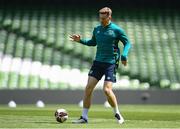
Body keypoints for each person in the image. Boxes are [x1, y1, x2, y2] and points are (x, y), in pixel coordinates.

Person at [70, 7, 131, 124]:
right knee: (88, 88)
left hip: (111, 63)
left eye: (103, 18)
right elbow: (93, 42)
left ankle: (117, 113)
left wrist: (124, 55)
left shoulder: (116, 30)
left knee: (107, 90)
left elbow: (127, 43)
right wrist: (80, 40)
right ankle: (84, 117)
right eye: (100, 18)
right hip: (98, 63)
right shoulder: (97, 29)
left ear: (109, 17)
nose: (101, 20)